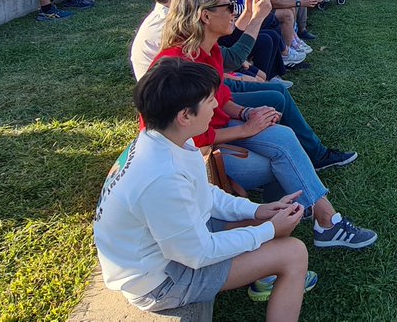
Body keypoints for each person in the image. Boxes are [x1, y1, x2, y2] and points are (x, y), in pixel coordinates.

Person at [153, 0, 376, 249]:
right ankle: (300, 223)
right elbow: (189, 140)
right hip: (195, 158)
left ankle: (319, 219)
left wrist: (247, 112)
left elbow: (222, 99)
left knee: (283, 136)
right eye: (229, 5)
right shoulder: (179, 65)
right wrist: (246, 128)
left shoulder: (206, 48)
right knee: (280, 164)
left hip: (217, 134)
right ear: (205, 15)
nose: (235, 11)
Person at [94, 58, 315, 316]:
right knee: (294, 254)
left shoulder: (168, 141)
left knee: (269, 225)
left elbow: (205, 192)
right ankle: (275, 272)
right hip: (160, 282)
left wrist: (258, 212)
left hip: (170, 253)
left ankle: (265, 271)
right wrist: (268, 230)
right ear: (185, 115)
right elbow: (197, 254)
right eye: (209, 99)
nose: (215, 105)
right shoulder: (161, 177)